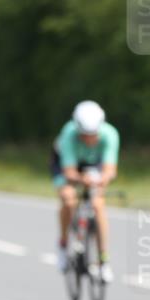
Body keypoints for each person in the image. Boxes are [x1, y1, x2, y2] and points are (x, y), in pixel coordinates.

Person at [51, 100, 119, 282]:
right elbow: (69, 172)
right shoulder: (68, 135)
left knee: (98, 205)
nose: (90, 139)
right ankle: (64, 244)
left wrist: (101, 180)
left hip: (94, 164)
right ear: (78, 129)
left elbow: (110, 169)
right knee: (68, 198)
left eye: (93, 135)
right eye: (85, 135)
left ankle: (104, 261)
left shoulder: (110, 134)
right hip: (68, 164)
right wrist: (82, 180)